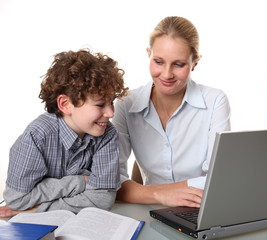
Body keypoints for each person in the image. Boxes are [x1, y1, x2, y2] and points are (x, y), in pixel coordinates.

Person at [113, 16, 231, 208]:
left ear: (195, 62)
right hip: (149, 207)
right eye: (159, 61)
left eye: (178, 64)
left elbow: (218, 179)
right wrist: (160, 195)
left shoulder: (215, 101)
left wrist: (158, 192)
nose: (167, 74)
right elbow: (111, 179)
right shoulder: (126, 104)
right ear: (148, 54)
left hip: (201, 208)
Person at [0, 49, 127, 218]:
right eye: (100, 104)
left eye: (111, 102)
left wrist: (36, 209)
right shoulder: (37, 137)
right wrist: (81, 181)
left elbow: (101, 200)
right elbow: (18, 200)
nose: (111, 113)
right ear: (65, 104)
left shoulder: (108, 134)